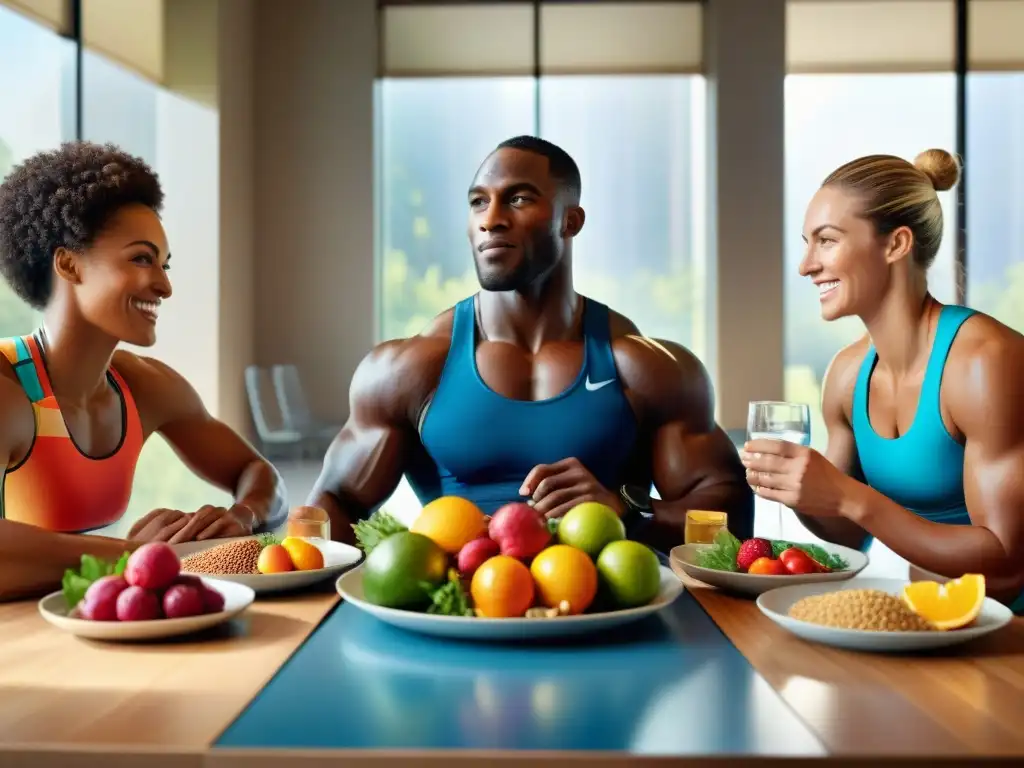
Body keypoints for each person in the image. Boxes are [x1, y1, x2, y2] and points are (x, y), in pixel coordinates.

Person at [309, 135, 752, 552]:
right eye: (478, 202)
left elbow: (732, 522)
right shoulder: (409, 368)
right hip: (457, 608)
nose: (491, 218)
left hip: (605, 611)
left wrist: (627, 508)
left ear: (570, 221)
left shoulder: (648, 368)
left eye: (518, 198)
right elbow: (332, 503)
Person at [0, 141, 287, 599]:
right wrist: (135, 554)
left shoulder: (148, 387)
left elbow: (258, 470)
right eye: (141, 258)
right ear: (69, 264)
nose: (164, 285)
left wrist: (244, 514)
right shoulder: (7, 386)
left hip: (100, 623)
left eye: (164, 263)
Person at [741, 148, 1024, 612]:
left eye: (826, 241)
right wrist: (797, 489)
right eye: (806, 242)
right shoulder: (846, 375)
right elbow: (849, 533)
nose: (806, 265)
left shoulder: (985, 363)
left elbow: (1008, 566)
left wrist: (852, 498)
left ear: (895, 245)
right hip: (930, 621)